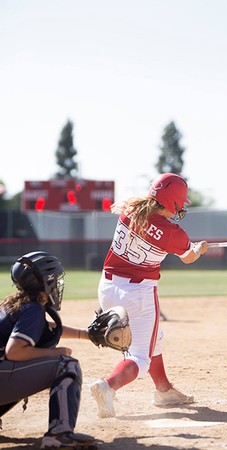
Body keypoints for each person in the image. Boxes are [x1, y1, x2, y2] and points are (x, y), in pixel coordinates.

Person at [90, 172, 208, 418]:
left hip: (108, 287)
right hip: (138, 293)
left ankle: (163, 389)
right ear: (174, 203)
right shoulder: (173, 233)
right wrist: (198, 249)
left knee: (155, 337)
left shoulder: (131, 209)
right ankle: (108, 386)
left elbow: (152, 227)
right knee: (140, 357)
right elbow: (188, 257)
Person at [0, 251, 97, 449]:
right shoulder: (33, 309)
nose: (58, 285)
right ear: (45, 285)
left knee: (29, 357)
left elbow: (46, 329)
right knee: (66, 365)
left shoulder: (16, 304)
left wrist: (87, 334)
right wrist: (56, 353)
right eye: (55, 280)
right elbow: (15, 351)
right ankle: (59, 434)